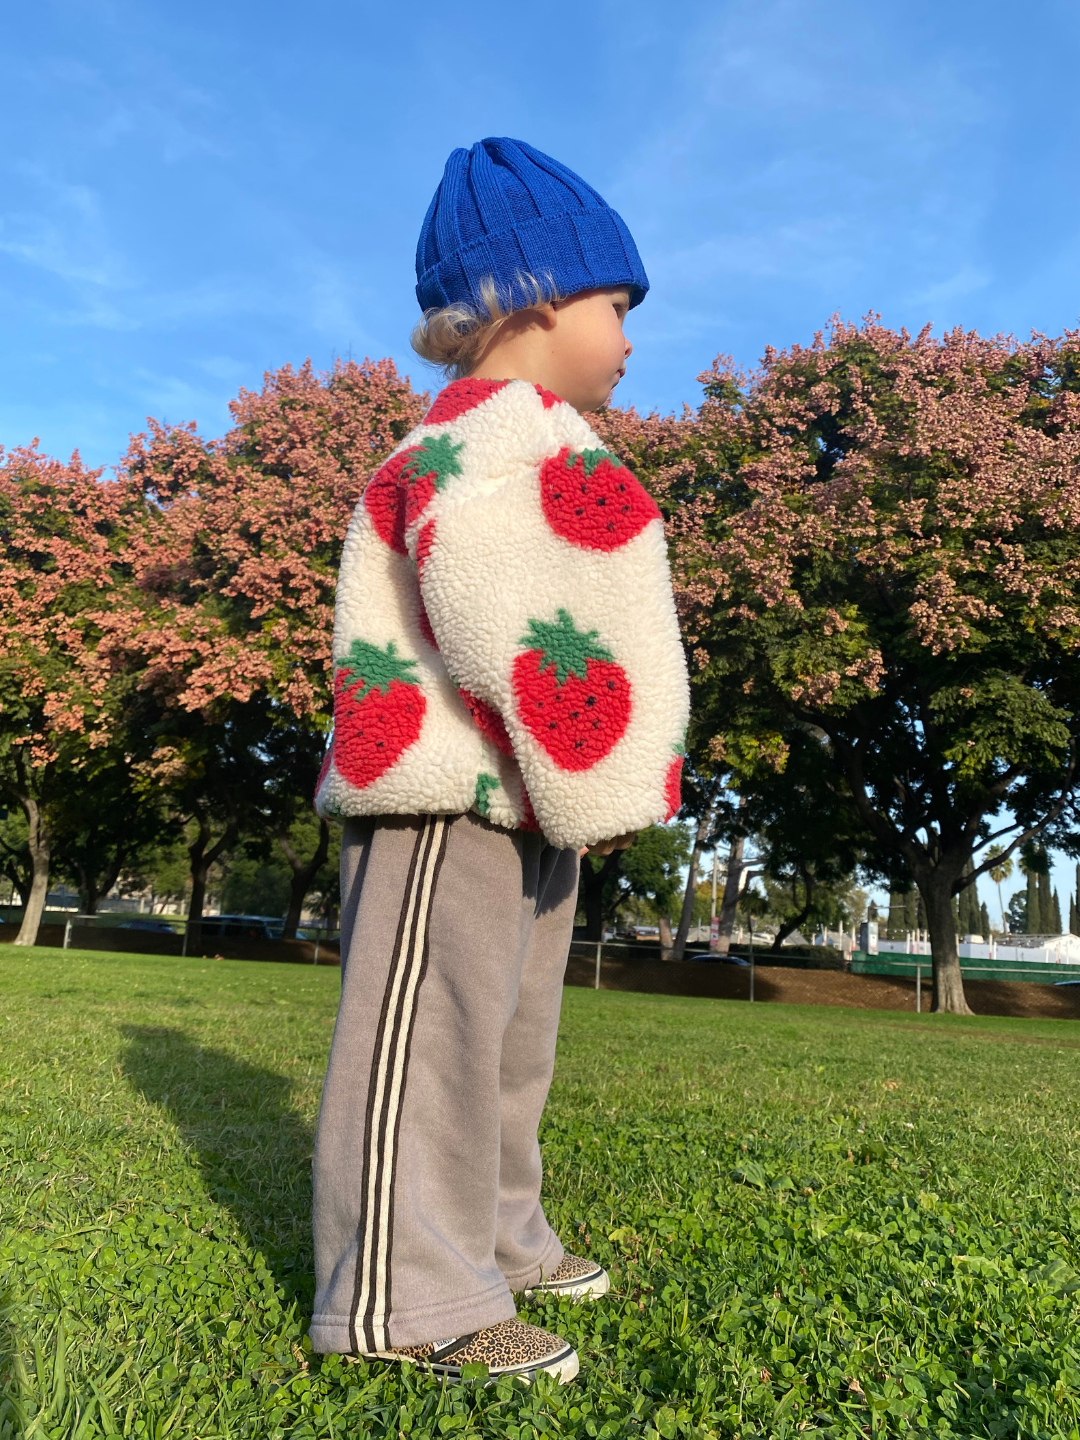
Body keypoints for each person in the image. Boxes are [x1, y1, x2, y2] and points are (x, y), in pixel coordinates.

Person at [310, 137, 689, 1384]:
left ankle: (497, 1234)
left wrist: (584, 787)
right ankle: (406, 1297)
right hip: (449, 791)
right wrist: (595, 777)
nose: (631, 335)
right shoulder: (483, 442)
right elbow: (498, 613)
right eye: (617, 304)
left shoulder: (537, 433)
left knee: (512, 1036)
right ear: (532, 296)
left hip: (524, 791)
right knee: (432, 1037)